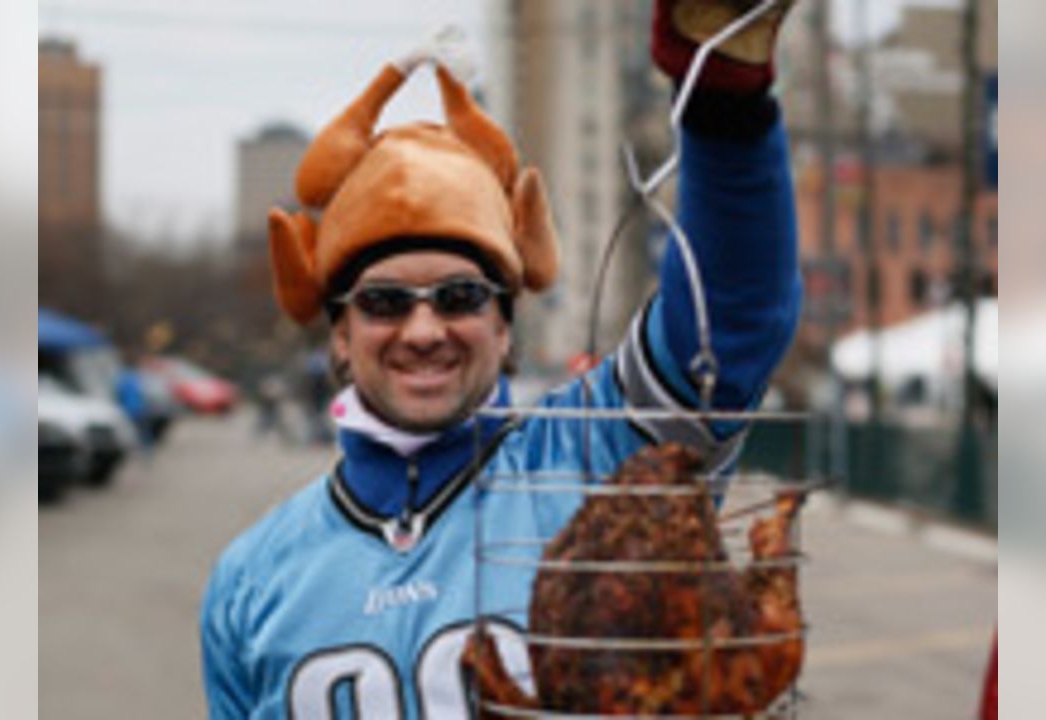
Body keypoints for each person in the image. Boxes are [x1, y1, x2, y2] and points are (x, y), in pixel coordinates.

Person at [201, 1, 802, 717]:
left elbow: (727, 318)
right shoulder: (251, 579)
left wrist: (721, 95)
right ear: (338, 332)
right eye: (385, 303)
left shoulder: (601, 452)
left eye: (459, 296)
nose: (424, 330)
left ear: (505, 324)